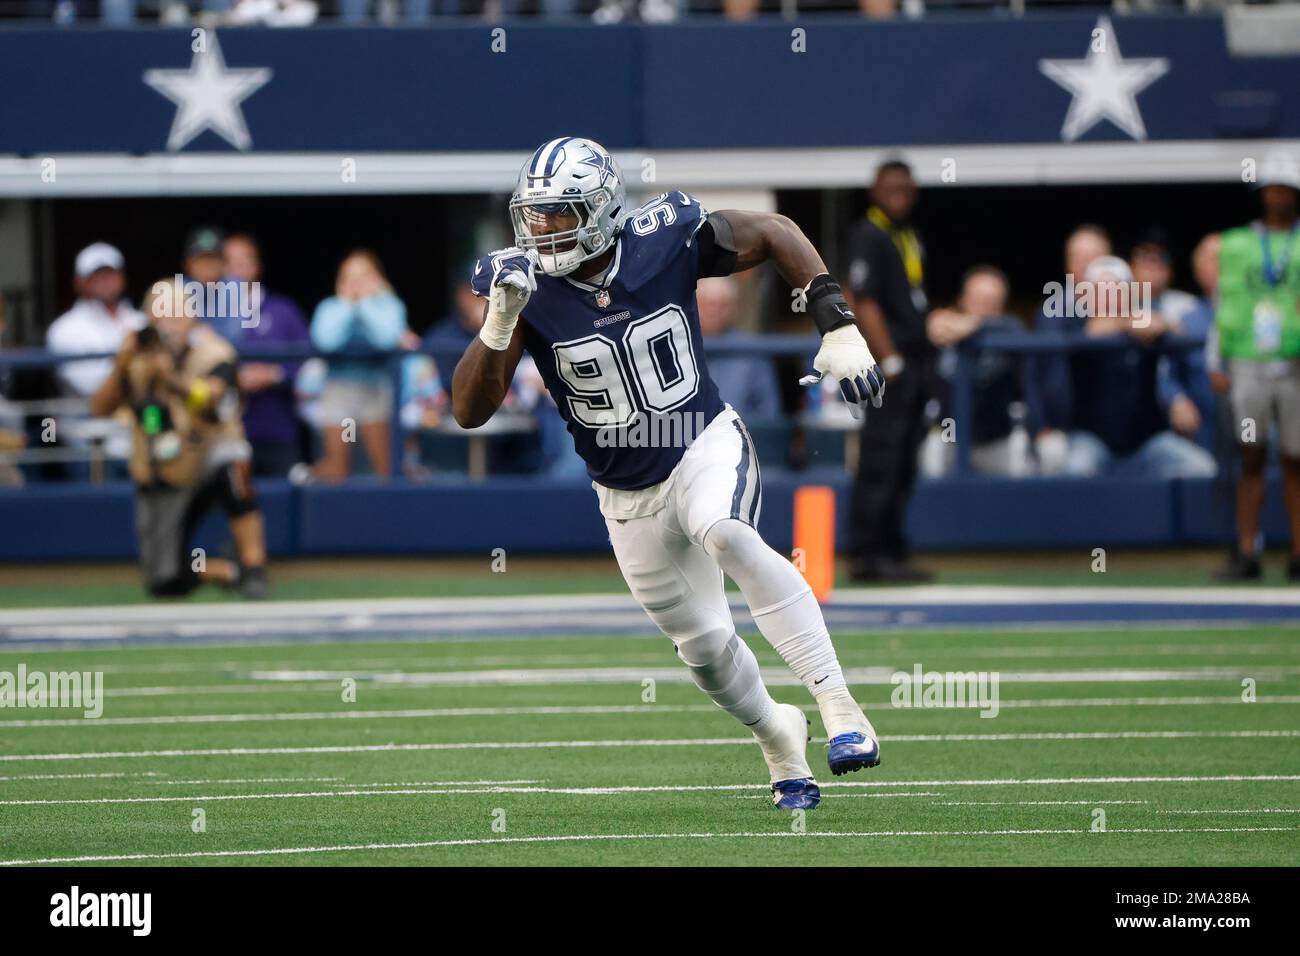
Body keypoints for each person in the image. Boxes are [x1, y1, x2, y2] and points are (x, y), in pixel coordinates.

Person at [453, 137, 886, 811]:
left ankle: (839, 705)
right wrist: (498, 326)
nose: (541, 230)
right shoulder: (522, 285)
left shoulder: (663, 238)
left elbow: (775, 231)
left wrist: (836, 323)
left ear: (599, 210)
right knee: (706, 649)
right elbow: (469, 411)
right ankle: (778, 737)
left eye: (558, 213)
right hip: (623, 493)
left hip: (701, 443)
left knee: (726, 533)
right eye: (532, 215)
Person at [89, 278, 268, 599]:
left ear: (191, 317)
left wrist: (169, 378)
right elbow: (100, 408)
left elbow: (212, 397)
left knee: (234, 460)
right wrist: (122, 365)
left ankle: (255, 567)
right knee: (164, 582)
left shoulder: (214, 351)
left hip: (206, 455)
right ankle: (227, 569)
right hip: (165, 472)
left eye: (174, 313)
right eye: (159, 315)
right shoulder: (137, 358)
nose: (167, 323)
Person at [843, 159, 934, 582]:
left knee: (904, 461)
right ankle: (866, 554)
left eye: (907, 187)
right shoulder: (869, 235)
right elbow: (861, 299)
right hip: (889, 368)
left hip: (913, 363)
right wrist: (890, 359)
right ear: (874, 192)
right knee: (880, 458)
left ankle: (891, 550)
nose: (901, 194)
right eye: (891, 187)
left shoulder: (906, 236)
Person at [1215, 152, 1300, 581]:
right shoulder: (1238, 244)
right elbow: (1225, 302)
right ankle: (1247, 550)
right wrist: (1218, 354)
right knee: (1250, 455)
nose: (1278, 196)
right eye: (1273, 188)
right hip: (1249, 359)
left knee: (1295, 458)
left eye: (1286, 188)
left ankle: (1298, 554)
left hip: (1295, 361)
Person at [46, 243, 147, 474]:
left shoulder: (141, 321)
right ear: (79, 282)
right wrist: (130, 361)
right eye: (96, 275)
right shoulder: (63, 329)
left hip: (142, 441)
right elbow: (96, 396)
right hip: (89, 446)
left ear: (122, 277)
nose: (106, 280)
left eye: (110, 273)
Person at [309, 250, 407, 481]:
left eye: (363, 276)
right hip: (340, 393)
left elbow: (387, 339)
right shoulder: (331, 307)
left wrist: (364, 304)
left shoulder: (389, 306)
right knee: (337, 471)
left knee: (385, 469)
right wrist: (348, 306)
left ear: (378, 279)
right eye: (349, 277)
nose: (355, 283)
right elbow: (325, 341)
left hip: (375, 393)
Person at [926, 265, 1029, 475]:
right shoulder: (944, 330)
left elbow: (1015, 327)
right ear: (962, 301)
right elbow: (931, 324)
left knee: (1022, 473)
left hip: (997, 441)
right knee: (931, 457)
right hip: (949, 438)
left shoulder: (1010, 331)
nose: (986, 309)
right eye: (979, 302)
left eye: (993, 304)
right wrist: (941, 322)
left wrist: (976, 324)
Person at [223, 233, 311, 478]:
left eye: (244, 260)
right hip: (226, 436)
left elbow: (310, 366)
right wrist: (231, 378)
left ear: (256, 266)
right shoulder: (208, 314)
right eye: (229, 261)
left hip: (278, 432)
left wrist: (276, 374)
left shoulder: (284, 310)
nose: (237, 268)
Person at [696, 275, 781, 421]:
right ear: (695, 305)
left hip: (737, 437)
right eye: (708, 304)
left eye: (723, 304)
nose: (714, 311)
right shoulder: (678, 347)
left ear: (733, 309)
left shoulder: (750, 350)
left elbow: (768, 412)